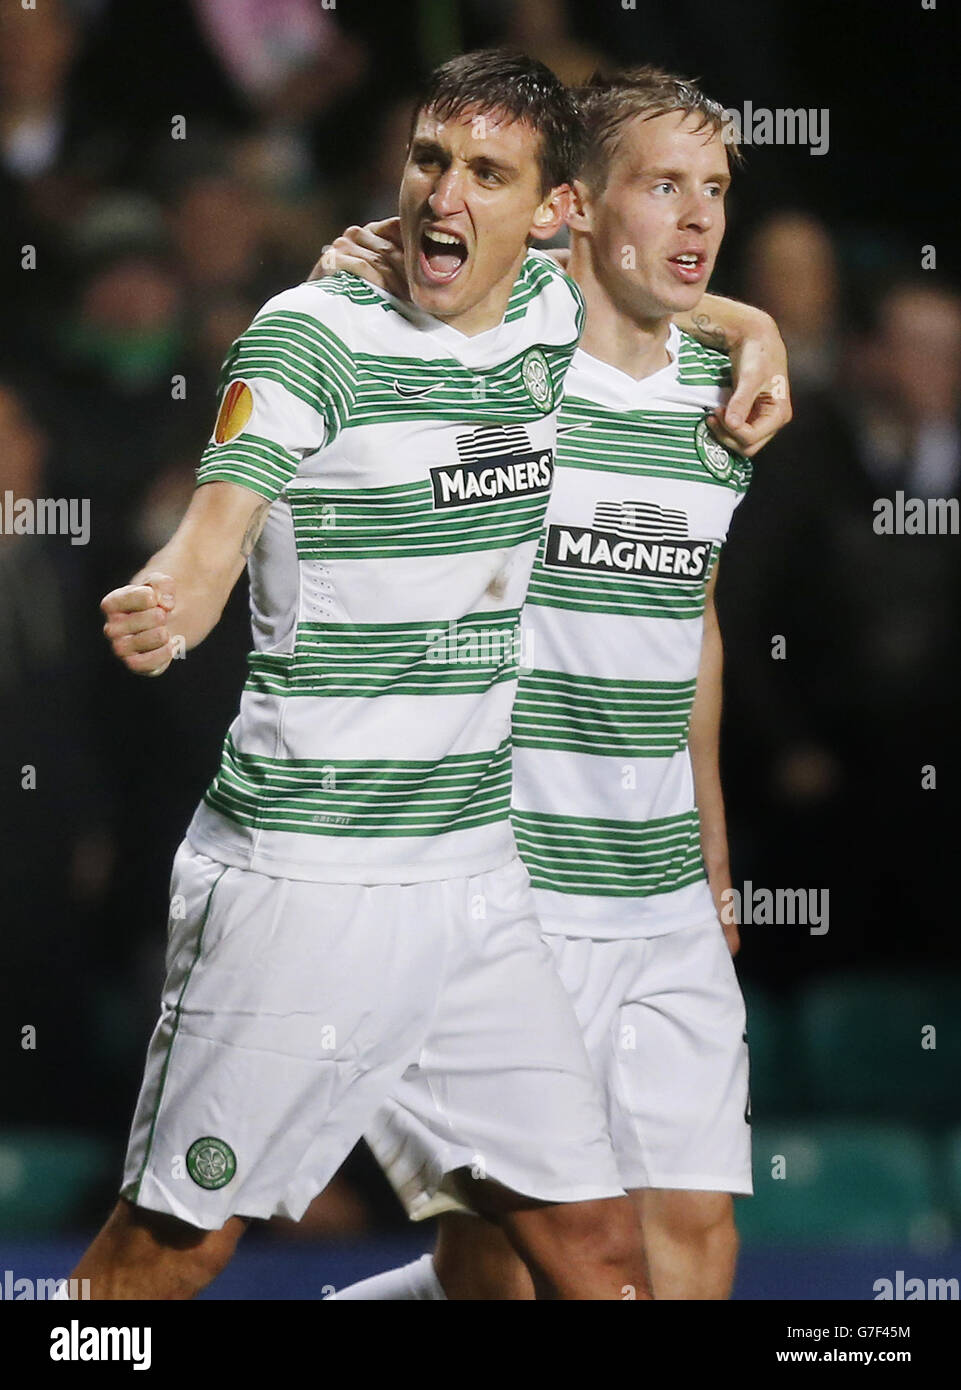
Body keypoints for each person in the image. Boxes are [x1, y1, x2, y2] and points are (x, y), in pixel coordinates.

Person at [68, 49, 654, 1302]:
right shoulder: (312, 332)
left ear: (552, 213)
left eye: (487, 174)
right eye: (430, 160)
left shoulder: (554, 315)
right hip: (302, 880)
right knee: (161, 1263)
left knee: (586, 1251)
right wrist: (179, 594)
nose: (443, 195)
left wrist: (757, 332)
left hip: (474, 884)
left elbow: (668, 300)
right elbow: (221, 516)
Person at [323, 65, 779, 1301]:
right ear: (577, 206)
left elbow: (695, 624)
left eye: (716, 191)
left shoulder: (721, 400)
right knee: (516, 1266)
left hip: (659, 898)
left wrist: (715, 858)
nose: (696, 218)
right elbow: (380, 282)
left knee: (689, 1237)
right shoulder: (495, 363)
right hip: (498, 889)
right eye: (662, 187)